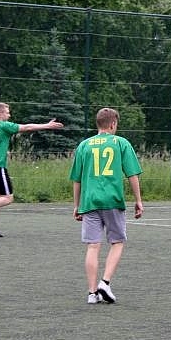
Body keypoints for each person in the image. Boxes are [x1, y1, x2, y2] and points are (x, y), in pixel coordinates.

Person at [70, 107, 143, 305]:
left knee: (93, 246)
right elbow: (132, 174)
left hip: (89, 201)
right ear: (113, 124)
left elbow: (77, 179)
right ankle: (105, 282)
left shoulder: (84, 145)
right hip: (112, 200)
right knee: (117, 242)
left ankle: (91, 293)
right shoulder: (121, 143)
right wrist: (138, 200)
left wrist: (77, 205)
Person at [0, 102, 64, 237]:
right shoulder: (4, 125)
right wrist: (47, 125)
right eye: (7, 112)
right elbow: (27, 127)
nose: (9, 115)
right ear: (0, 113)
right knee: (8, 198)